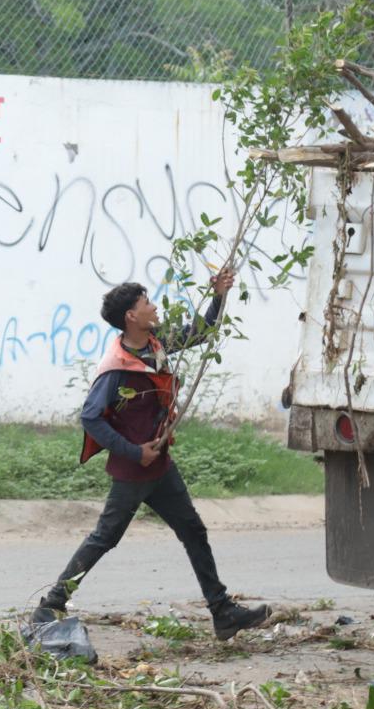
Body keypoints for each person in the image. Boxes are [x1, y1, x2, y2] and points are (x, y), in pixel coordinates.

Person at [30, 271, 271, 640]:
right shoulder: (117, 367)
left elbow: (201, 332)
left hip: (159, 465)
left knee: (193, 530)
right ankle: (50, 604)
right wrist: (133, 452)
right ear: (131, 316)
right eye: (146, 303)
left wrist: (219, 295)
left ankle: (222, 612)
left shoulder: (154, 344)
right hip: (134, 470)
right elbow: (90, 417)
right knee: (104, 537)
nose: (154, 306)